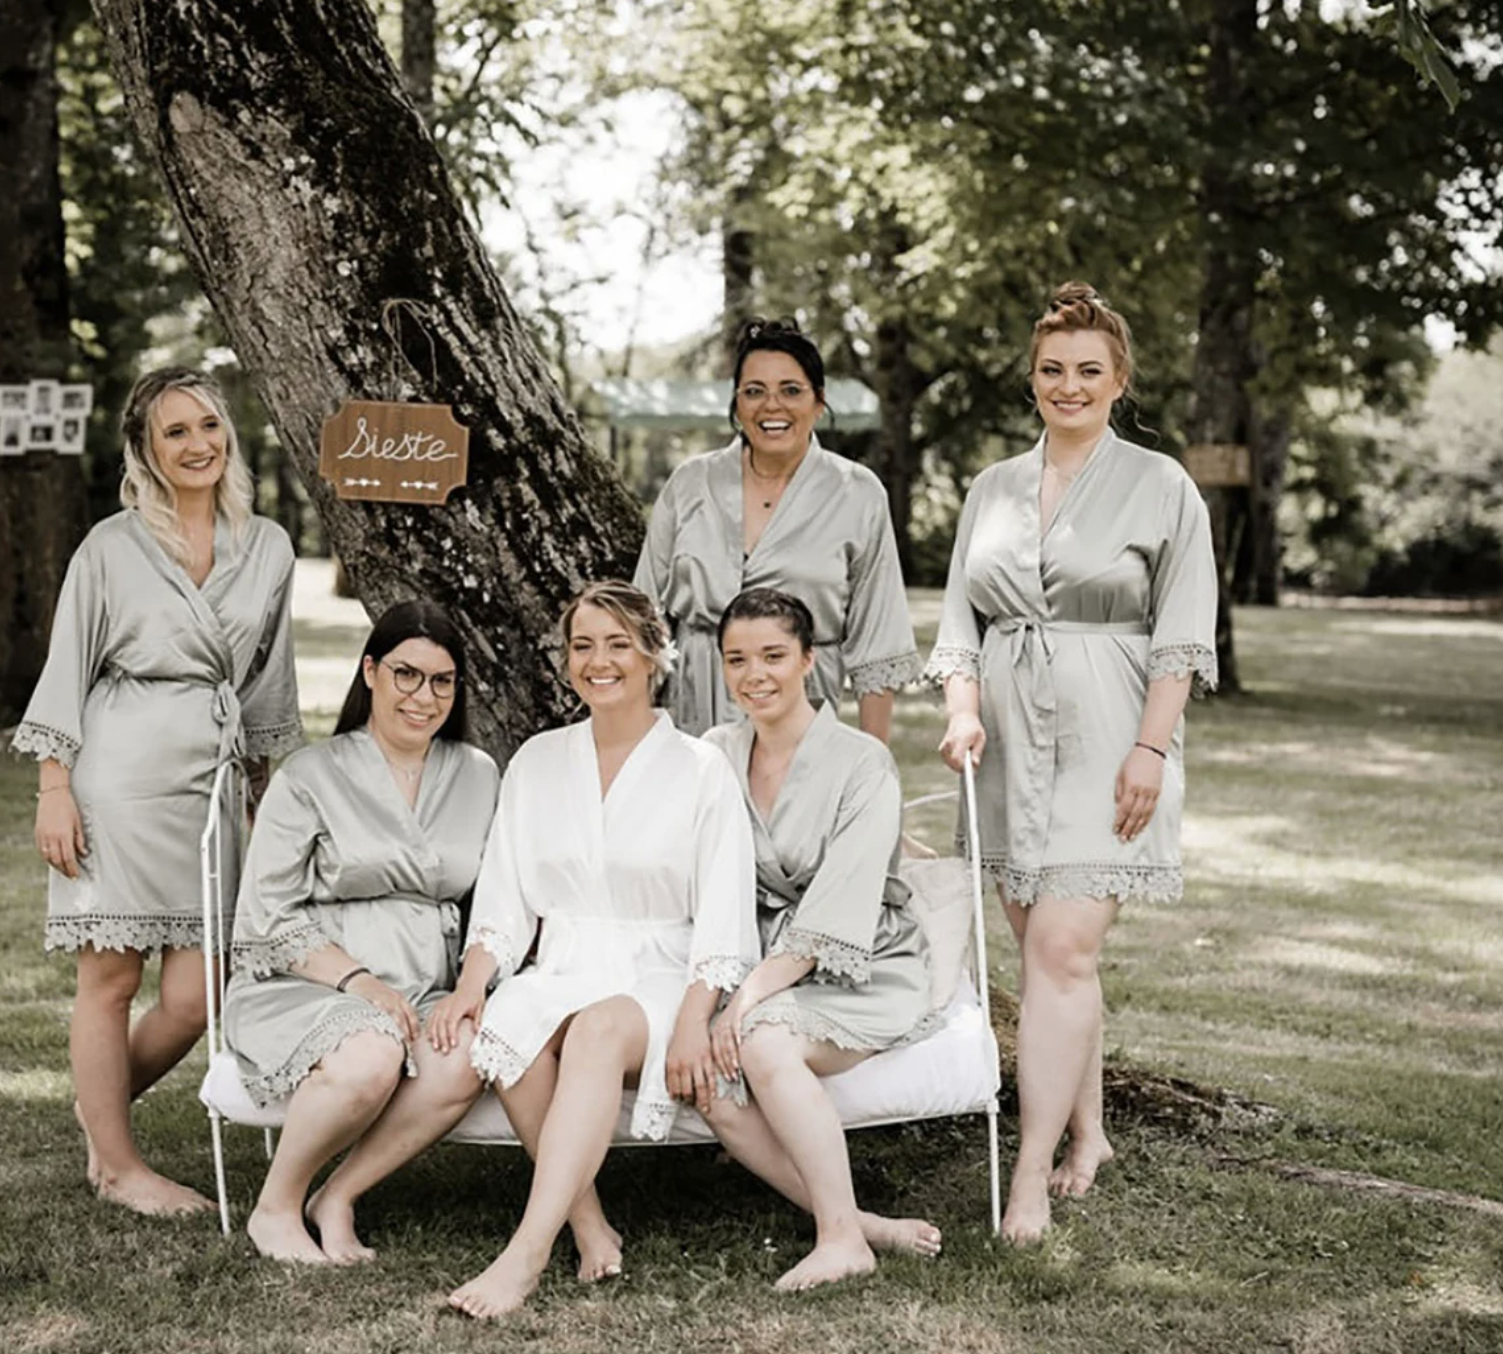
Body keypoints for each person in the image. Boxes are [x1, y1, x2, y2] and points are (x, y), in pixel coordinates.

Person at [925, 282, 1218, 1243]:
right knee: (1049, 957)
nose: (1070, 385)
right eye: (1052, 369)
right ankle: (1090, 1132)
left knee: (1062, 949)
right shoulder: (991, 487)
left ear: (1120, 379)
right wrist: (963, 710)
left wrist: (1150, 748)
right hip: (1005, 743)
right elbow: (960, 620)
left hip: (1112, 739)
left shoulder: (1163, 485)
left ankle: (1031, 1178)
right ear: (1032, 379)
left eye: (1090, 370)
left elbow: (1182, 635)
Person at [14, 366, 303, 1217]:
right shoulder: (110, 546)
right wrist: (53, 786)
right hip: (119, 777)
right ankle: (117, 1165)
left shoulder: (269, 546)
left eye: (208, 425)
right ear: (145, 448)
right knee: (110, 979)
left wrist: (262, 786)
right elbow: (68, 663)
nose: (197, 444)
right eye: (175, 431)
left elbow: (268, 677)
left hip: (214, 783)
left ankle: (96, 1106)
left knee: (197, 994)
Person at [440, 580, 758, 1320]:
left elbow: (724, 912)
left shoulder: (701, 768)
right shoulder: (538, 761)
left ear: (654, 655)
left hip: (660, 974)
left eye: (618, 644)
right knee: (510, 1027)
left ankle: (525, 1254)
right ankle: (589, 1225)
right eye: (582, 645)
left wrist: (695, 1015)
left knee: (595, 1029)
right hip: (564, 965)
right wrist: (472, 984)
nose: (598, 661)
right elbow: (505, 900)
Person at [226, 601, 499, 1263]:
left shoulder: (478, 774)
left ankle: (339, 1195)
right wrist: (360, 982)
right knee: (371, 1052)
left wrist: (470, 987)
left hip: (425, 986)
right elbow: (267, 915)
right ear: (371, 671)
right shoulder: (310, 776)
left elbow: (497, 897)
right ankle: (276, 1206)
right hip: (311, 984)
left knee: (469, 1054)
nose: (423, 697)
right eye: (406, 674)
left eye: (442, 681)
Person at [696, 587, 944, 1290]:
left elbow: (837, 913)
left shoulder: (863, 762)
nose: (755, 675)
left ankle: (840, 1239)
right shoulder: (714, 754)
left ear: (808, 660)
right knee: (707, 1077)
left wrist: (745, 999)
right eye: (737, 659)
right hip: (756, 958)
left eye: (773, 656)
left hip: (858, 963)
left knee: (762, 1042)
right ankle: (862, 1223)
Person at [635, 317, 921, 740]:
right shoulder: (690, 484)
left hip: (802, 721)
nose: (772, 406)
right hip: (695, 722)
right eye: (754, 391)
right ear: (736, 403)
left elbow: (877, 646)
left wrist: (873, 763)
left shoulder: (859, 493)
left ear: (819, 402)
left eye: (791, 390)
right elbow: (642, 622)